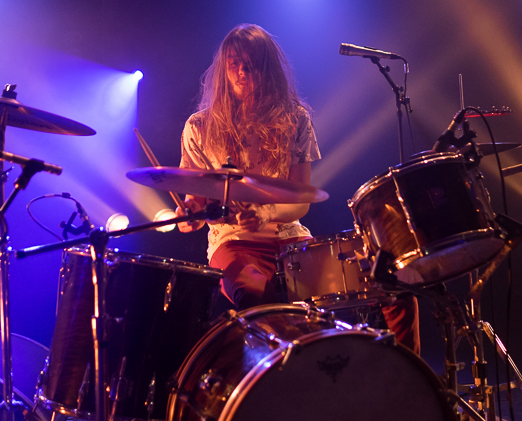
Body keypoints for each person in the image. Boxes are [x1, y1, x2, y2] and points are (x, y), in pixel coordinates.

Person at [176, 23, 419, 354]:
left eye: (252, 63)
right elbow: (195, 202)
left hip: (291, 241)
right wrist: (189, 214)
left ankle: (407, 377)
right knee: (257, 295)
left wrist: (265, 215)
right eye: (234, 63)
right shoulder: (199, 127)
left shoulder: (295, 119)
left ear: (268, 67)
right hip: (232, 243)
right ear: (223, 69)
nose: (242, 72)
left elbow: (301, 201)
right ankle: (279, 377)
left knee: (394, 282)